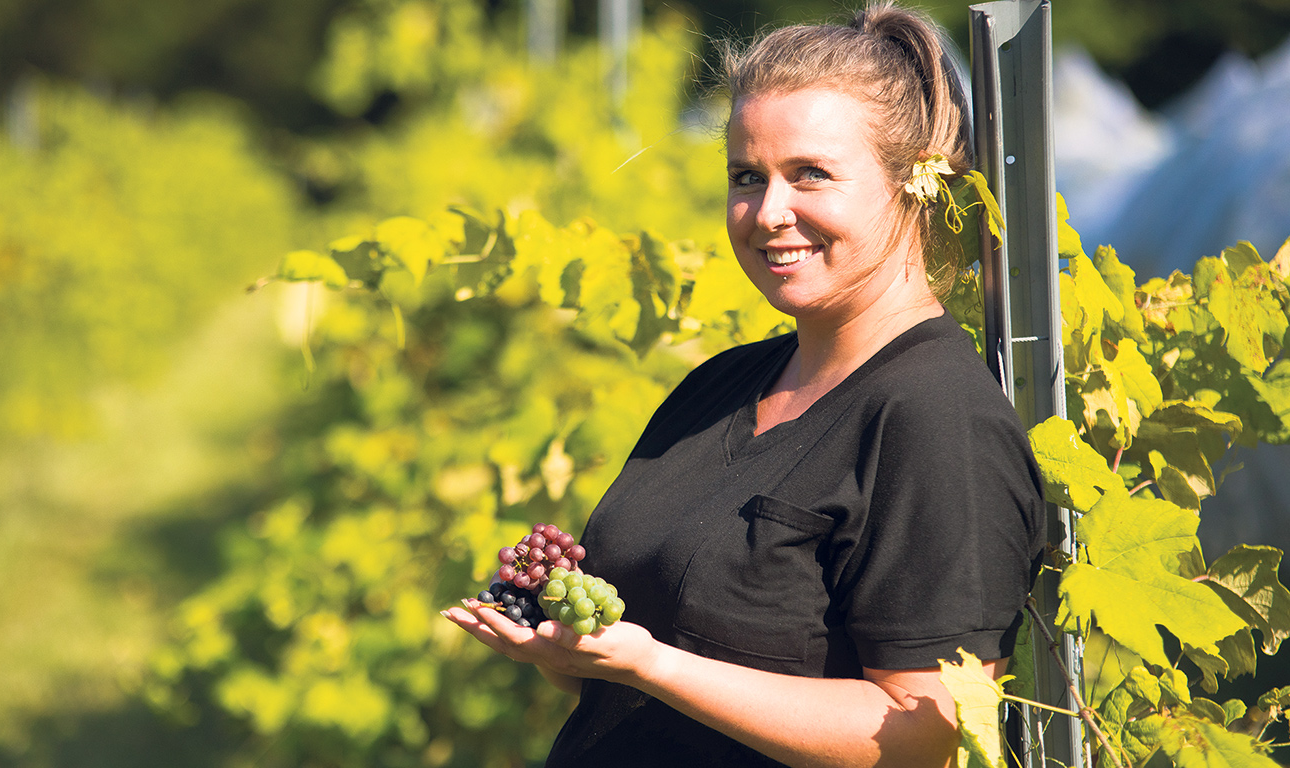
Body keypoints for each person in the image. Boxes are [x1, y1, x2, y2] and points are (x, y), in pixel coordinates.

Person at [441, 3, 1046, 766]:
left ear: (913, 184)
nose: (768, 213)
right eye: (746, 177)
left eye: (811, 175)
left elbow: (923, 731)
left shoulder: (935, 418)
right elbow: (677, 658)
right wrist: (578, 653)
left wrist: (651, 664)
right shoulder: (720, 387)